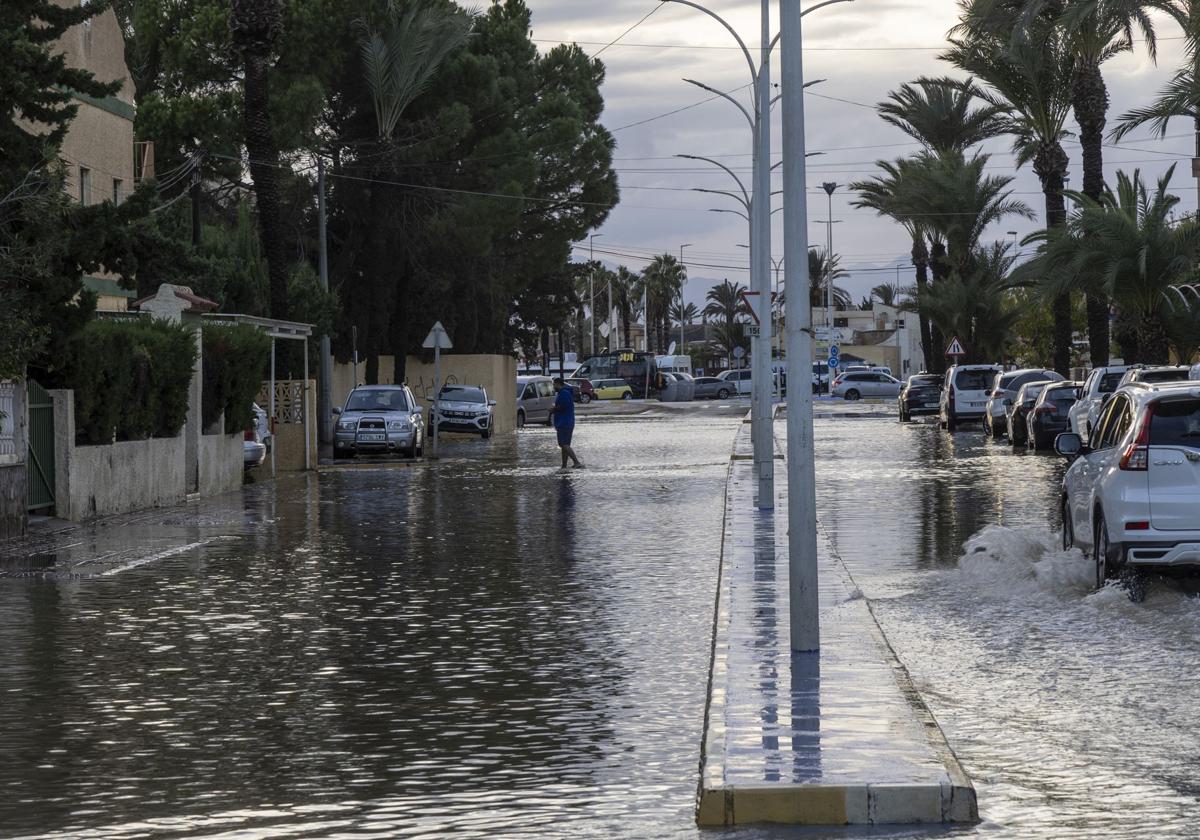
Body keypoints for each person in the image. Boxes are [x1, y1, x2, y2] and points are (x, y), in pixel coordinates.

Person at [550, 378, 584, 470]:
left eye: (554, 384)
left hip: (563, 422)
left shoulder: (564, 394)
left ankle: (576, 462)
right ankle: (564, 465)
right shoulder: (565, 393)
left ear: (558, 384)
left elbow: (562, 407)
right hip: (567, 422)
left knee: (563, 444)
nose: (553, 387)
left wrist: (553, 409)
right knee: (565, 445)